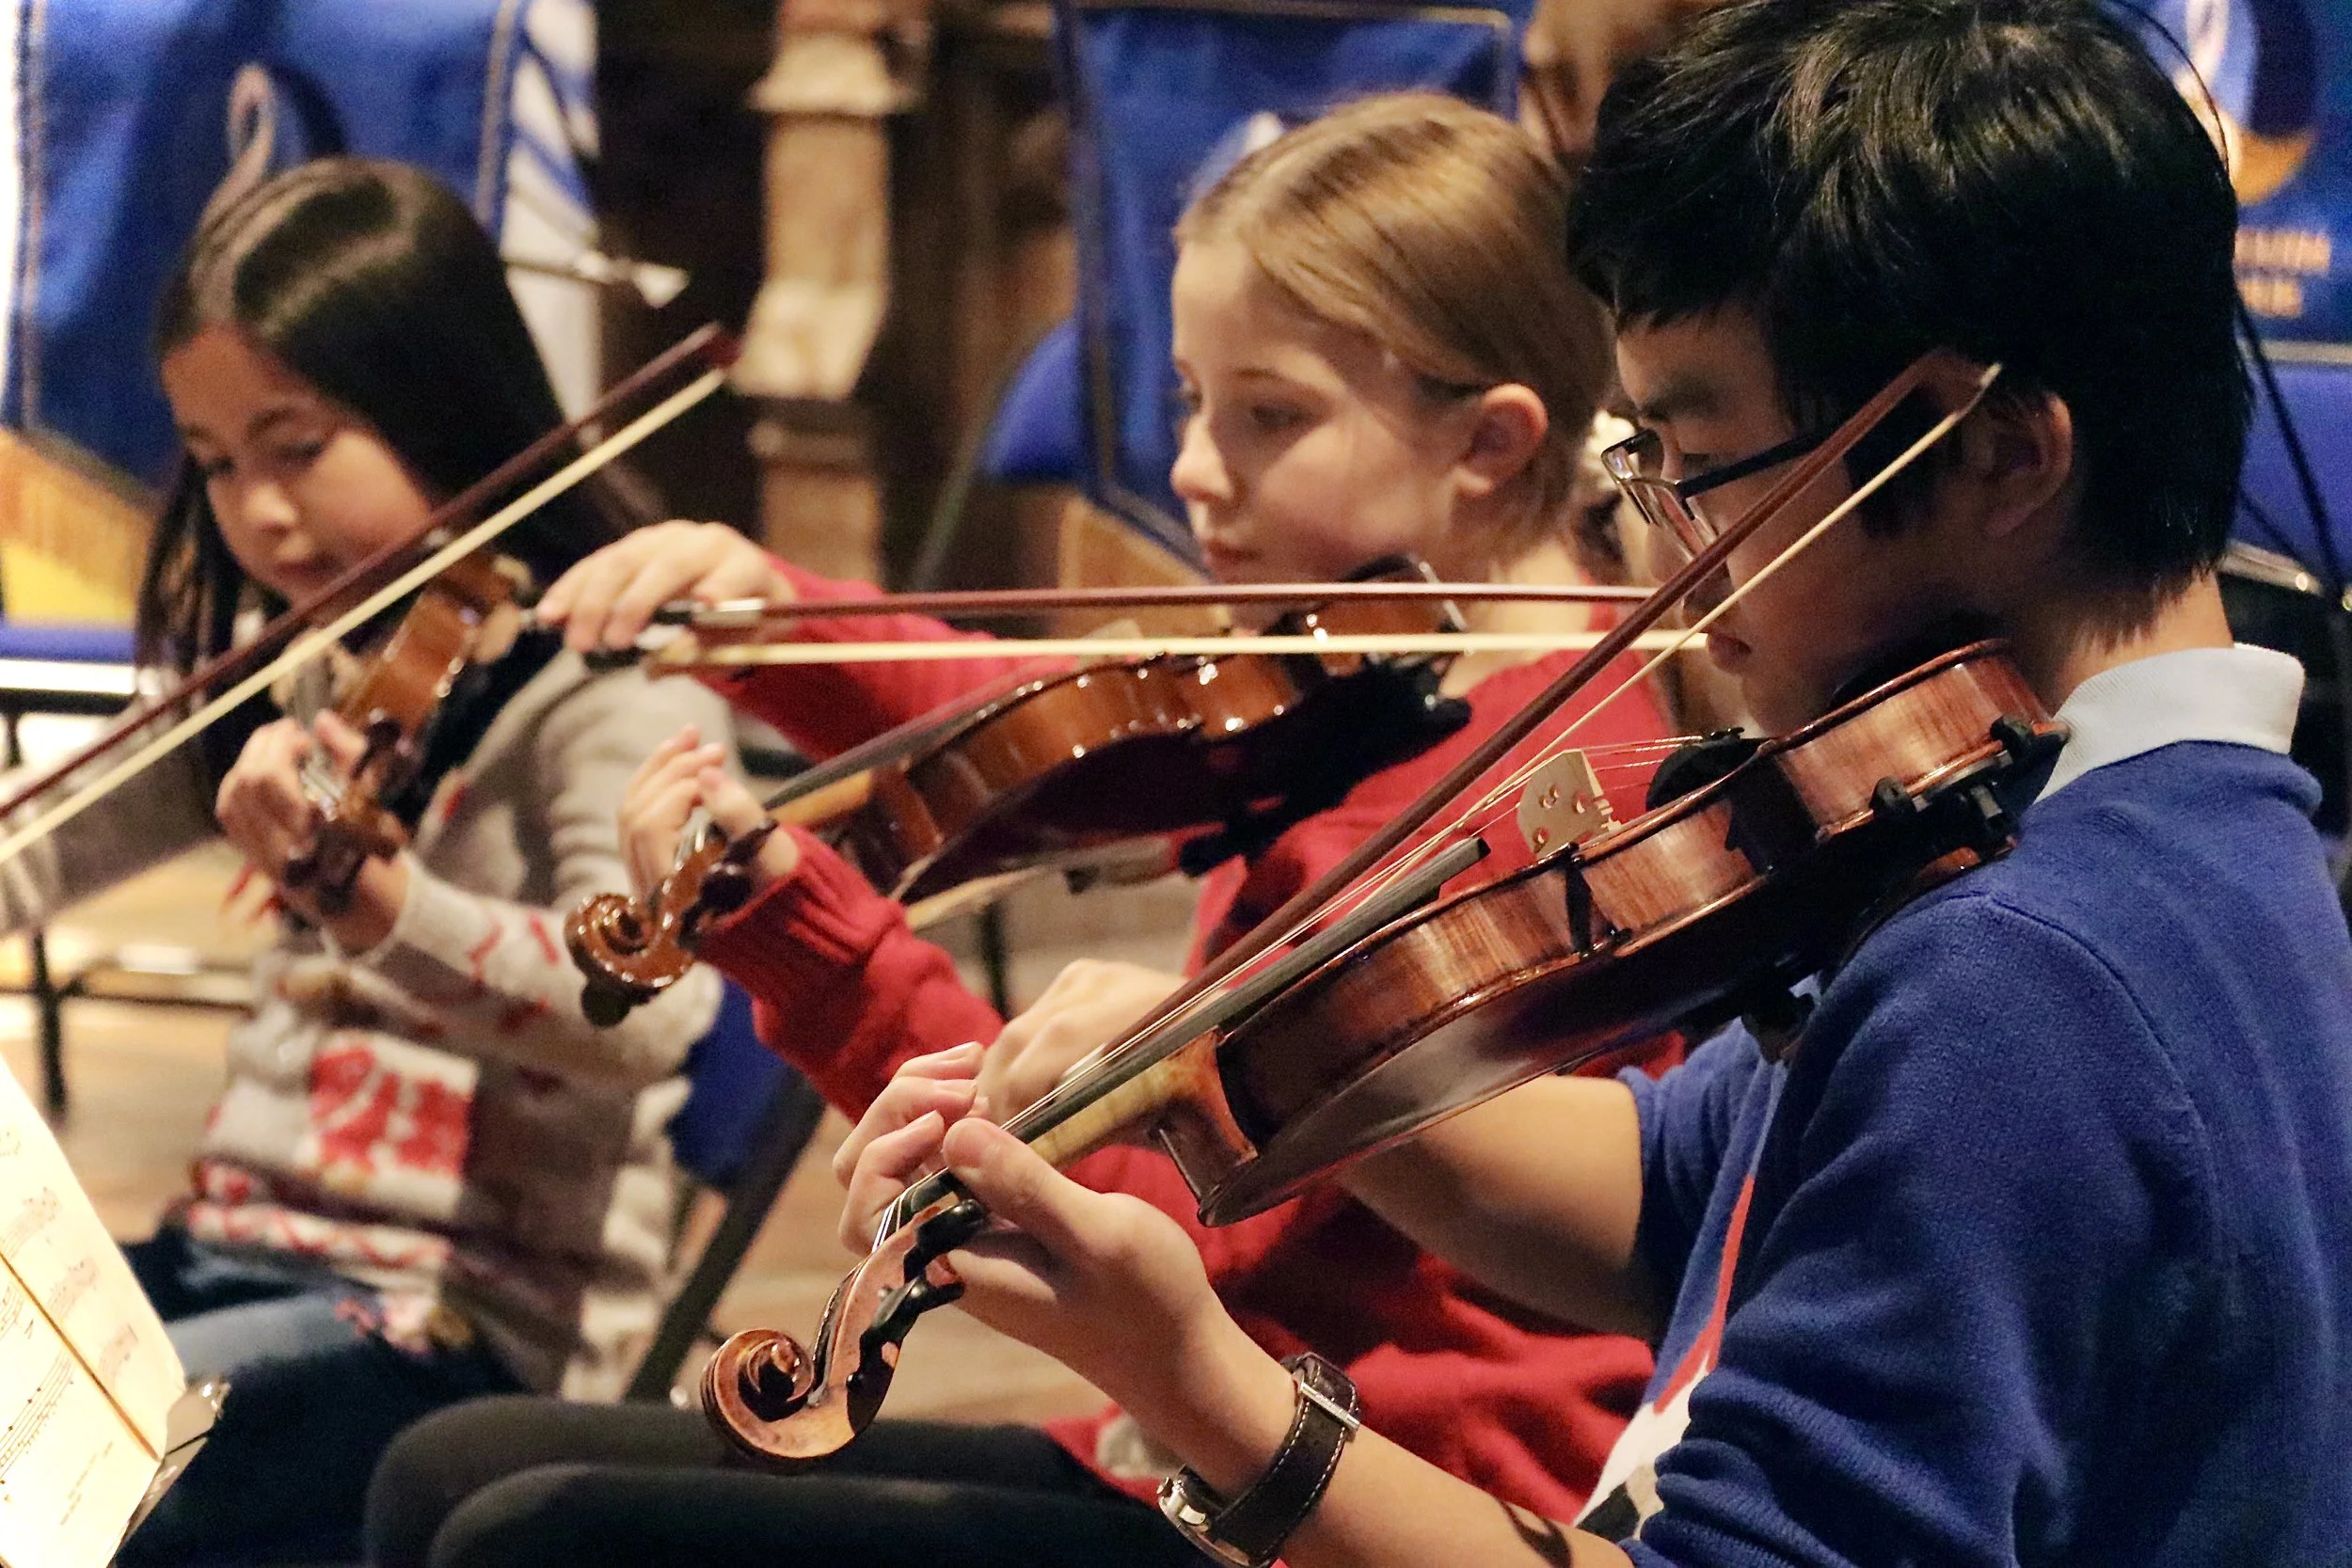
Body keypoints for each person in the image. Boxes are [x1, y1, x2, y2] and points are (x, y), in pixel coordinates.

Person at [823, 2, 2352, 1565]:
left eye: (1698, 465)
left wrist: (1200, 1383)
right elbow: (1683, 1189)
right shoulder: (2159, 831)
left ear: (1999, 456)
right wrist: (1233, 1062)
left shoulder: (2029, 978)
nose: (1662, 542)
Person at [363, 93, 1685, 1568]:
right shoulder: (1386, 683)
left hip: (1345, 1499)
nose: (1193, 468)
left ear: (1492, 443)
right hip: (1203, 1448)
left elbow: (1159, 1220)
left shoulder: (1523, 806)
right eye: (1191, 400)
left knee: (527, 1535)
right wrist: (772, 612)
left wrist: (821, 953)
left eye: (1268, 415)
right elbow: (1056, 721)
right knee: (447, 1470)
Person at [0, 157, 731, 1564]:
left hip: (455, 1328)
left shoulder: (606, 688)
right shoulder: (324, 669)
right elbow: (52, 837)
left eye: (298, 445)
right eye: (217, 462)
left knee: (47, 1490)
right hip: (232, 1256)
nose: (257, 511)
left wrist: (384, 906)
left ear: (440, 403)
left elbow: (642, 1016)